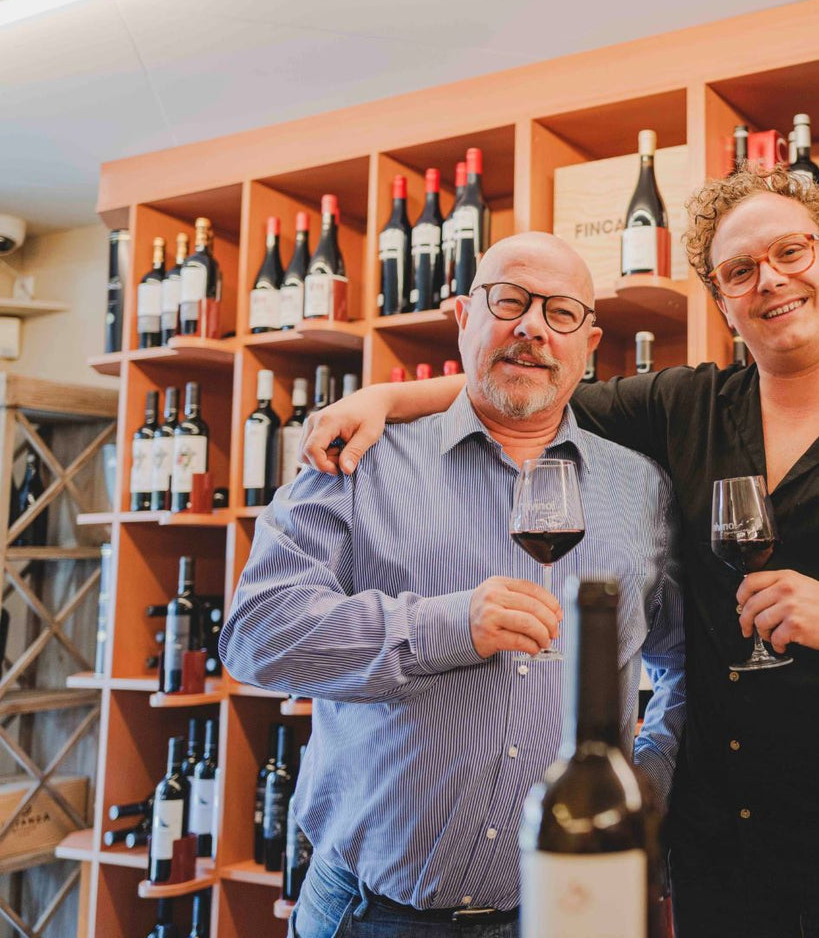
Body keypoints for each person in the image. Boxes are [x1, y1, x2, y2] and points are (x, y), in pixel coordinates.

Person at [301, 169, 819, 937]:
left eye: (790, 252)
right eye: (739, 271)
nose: (769, 280)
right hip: (724, 869)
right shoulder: (685, 408)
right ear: (723, 300)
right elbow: (530, 381)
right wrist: (383, 400)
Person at [222, 232, 685, 938]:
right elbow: (258, 638)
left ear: (588, 344)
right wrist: (445, 627)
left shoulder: (639, 488)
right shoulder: (357, 462)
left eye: (560, 313)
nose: (532, 326)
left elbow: (686, 664)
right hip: (369, 915)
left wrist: (647, 774)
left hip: (570, 911)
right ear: (464, 318)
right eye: (509, 301)